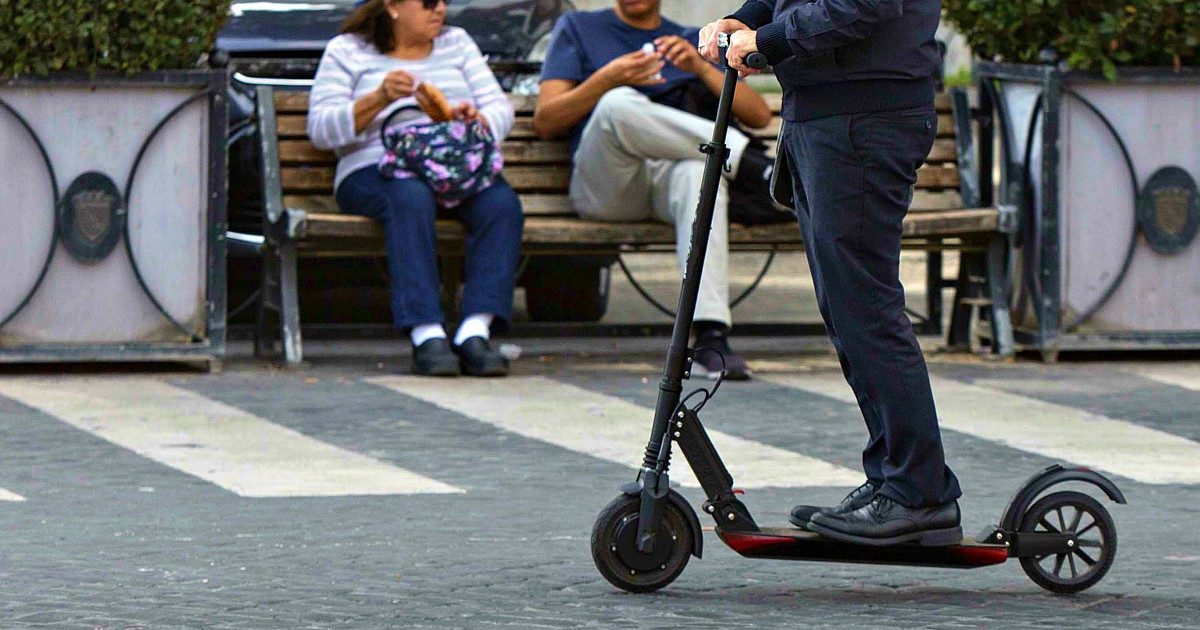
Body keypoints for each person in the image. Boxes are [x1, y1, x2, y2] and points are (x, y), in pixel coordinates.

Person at [698, 1, 964, 546]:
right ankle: (895, 479)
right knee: (849, 313)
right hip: (827, 116)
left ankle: (918, 493)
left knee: (867, 311)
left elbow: (859, 6)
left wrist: (769, 39)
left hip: (863, 118)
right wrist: (748, 18)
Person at [532, 0, 774, 381]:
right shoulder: (578, 28)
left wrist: (699, 67)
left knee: (698, 173)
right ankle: (754, 167)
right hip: (606, 185)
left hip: (666, 182)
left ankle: (710, 335)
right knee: (616, 104)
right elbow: (545, 121)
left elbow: (759, 116)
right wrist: (607, 79)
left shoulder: (690, 40)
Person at [308, 0, 522, 378]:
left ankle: (475, 330)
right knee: (409, 196)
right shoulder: (348, 50)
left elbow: (500, 109)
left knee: (500, 203)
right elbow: (321, 130)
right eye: (427, 2)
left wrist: (474, 119)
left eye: (443, 1)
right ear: (392, 6)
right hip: (374, 167)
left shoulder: (458, 43)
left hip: (452, 165)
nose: (439, 9)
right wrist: (378, 98)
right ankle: (427, 333)